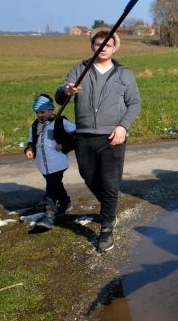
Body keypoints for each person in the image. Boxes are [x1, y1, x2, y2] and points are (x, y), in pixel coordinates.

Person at [55, 28, 141, 252]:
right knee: (89, 177)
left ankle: (106, 228)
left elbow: (134, 104)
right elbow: (59, 95)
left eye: (108, 45)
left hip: (113, 136)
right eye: (98, 45)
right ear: (92, 46)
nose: (103, 49)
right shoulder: (79, 70)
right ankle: (109, 209)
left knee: (110, 182)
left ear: (114, 48)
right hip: (84, 135)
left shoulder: (124, 73)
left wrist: (123, 126)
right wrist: (66, 90)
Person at [24, 94, 77, 230]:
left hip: (57, 161)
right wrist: (29, 149)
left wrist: (64, 145)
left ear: (51, 110)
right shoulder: (35, 125)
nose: (39, 115)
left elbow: (76, 134)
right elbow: (31, 141)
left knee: (52, 186)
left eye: (42, 112)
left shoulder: (60, 122)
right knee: (55, 184)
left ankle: (50, 213)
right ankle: (65, 203)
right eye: (37, 112)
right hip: (43, 163)